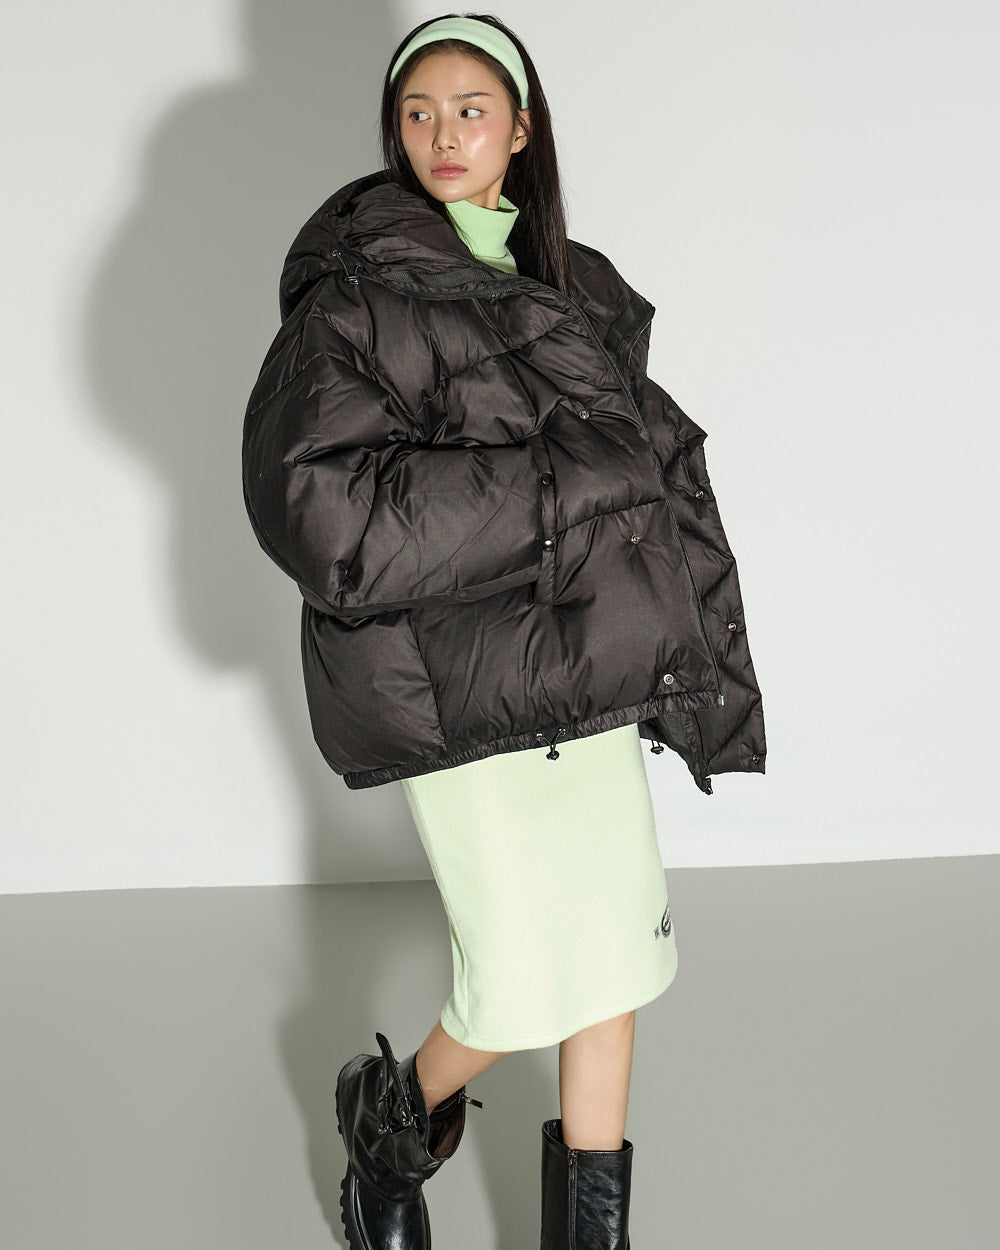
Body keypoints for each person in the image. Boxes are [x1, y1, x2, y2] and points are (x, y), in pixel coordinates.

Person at [241, 13, 767, 1249]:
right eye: (417, 112)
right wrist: (555, 484)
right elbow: (328, 516)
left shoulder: (575, 289)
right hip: (463, 686)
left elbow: (638, 491)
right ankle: (386, 1127)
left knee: (618, 964)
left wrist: (684, 645)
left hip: (587, 670)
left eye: (470, 109)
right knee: (520, 981)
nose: (443, 133)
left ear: (521, 130)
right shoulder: (354, 299)